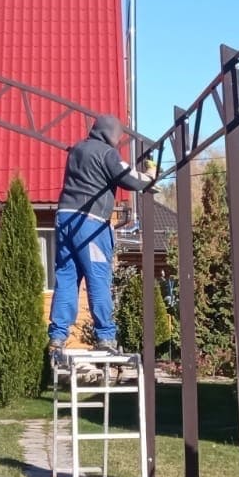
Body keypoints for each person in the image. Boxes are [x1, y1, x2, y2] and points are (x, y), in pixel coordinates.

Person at [48, 114, 156, 354]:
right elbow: (130, 180)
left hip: (64, 218)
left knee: (66, 277)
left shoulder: (77, 149)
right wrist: (149, 176)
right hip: (90, 222)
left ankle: (57, 335)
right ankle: (105, 336)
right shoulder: (107, 153)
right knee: (98, 276)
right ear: (111, 133)